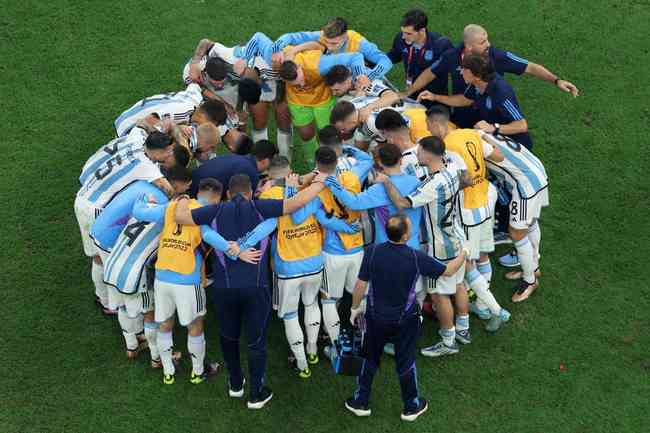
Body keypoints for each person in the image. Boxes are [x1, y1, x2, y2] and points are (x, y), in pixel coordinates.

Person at [173, 173, 328, 409]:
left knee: (228, 337)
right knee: (256, 342)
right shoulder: (262, 207)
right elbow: (296, 203)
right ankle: (256, 393)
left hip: (224, 289)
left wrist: (183, 198)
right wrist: (319, 182)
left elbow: (180, 216)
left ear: (227, 193)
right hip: (257, 289)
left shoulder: (214, 211)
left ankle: (235, 384)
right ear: (251, 192)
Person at [131, 169, 259, 385]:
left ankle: (168, 373)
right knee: (195, 325)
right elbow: (215, 239)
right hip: (187, 282)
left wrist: (144, 198)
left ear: (197, 192)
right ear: (217, 199)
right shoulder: (206, 217)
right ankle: (198, 372)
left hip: (162, 278)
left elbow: (139, 211)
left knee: (164, 324)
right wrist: (240, 252)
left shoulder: (173, 207)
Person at [241, 153, 358, 379]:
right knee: (312, 304)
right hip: (314, 261)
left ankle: (303, 364)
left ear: (269, 176)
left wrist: (240, 245)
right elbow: (324, 219)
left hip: (288, 266)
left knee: (291, 314)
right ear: (290, 172)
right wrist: (348, 228)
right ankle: (313, 351)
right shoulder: (308, 192)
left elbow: (267, 226)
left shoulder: (266, 198)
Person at [344, 214, 467, 421]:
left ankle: (361, 401)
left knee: (369, 358)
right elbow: (448, 271)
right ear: (406, 235)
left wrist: (355, 309)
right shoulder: (415, 256)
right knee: (405, 362)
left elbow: (360, 285)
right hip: (405, 320)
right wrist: (464, 252)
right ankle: (411, 406)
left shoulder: (372, 252)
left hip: (375, 318)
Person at [91, 169, 194, 361]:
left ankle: (131, 346)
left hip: (112, 264)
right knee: (149, 312)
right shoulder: (169, 219)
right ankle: (157, 357)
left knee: (122, 306)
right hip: (133, 273)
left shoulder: (145, 205)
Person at [426, 105, 512, 332]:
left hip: (467, 209)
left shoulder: (448, 148)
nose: (428, 131)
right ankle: (482, 305)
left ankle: (495, 310)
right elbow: (499, 156)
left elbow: (462, 179)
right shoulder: (469, 133)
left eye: (428, 127)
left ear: (436, 124)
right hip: (485, 201)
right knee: (482, 256)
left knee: (467, 264)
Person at [75, 130, 176, 314]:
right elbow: (168, 190)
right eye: (168, 151)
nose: (170, 155)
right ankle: (113, 304)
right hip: (95, 208)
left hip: (84, 197)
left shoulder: (136, 142)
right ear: (157, 150)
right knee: (108, 257)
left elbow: (140, 124)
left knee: (98, 257)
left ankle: (103, 298)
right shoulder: (147, 167)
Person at [403, 24, 579, 127]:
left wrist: (556, 80)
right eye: (483, 42)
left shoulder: (496, 56)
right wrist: (408, 92)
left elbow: (530, 67)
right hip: (463, 113)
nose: (489, 44)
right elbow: (430, 73)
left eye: (487, 39)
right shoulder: (451, 56)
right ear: (469, 46)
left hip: (491, 118)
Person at [184, 33, 293, 154]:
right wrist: (195, 63)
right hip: (215, 86)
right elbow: (204, 42)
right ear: (206, 74)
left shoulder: (238, 64)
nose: (219, 85)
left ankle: (278, 153)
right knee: (218, 115)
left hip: (264, 74)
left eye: (222, 81)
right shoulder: (192, 72)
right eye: (216, 83)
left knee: (281, 113)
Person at [481, 132, 548, 302]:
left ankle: (530, 281)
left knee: (517, 232)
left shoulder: (471, 144)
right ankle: (534, 267)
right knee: (530, 223)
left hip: (526, 184)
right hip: (536, 171)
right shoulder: (480, 132)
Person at [419, 53, 534, 150]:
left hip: (516, 145)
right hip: (497, 141)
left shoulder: (501, 92)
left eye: (464, 69)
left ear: (477, 76)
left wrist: (493, 128)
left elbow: (522, 125)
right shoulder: (475, 84)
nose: (461, 72)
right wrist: (435, 97)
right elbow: (464, 100)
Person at [278, 49, 370, 165]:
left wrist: (361, 76)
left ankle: (335, 162)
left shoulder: (319, 64)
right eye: (295, 84)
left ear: (299, 67)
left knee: (330, 134)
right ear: (283, 79)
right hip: (298, 102)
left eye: (301, 79)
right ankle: (314, 163)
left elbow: (355, 56)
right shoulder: (278, 61)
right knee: (306, 134)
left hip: (323, 100)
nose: (302, 84)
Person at [272, 17, 392, 81]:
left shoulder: (358, 42)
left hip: (364, 82)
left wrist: (368, 77)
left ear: (345, 36)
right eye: (326, 42)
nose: (329, 47)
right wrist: (276, 49)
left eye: (334, 43)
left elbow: (385, 60)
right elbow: (290, 37)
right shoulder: (321, 35)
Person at [114, 83, 228, 138]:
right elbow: (149, 120)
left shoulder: (196, 98)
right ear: (204, 116)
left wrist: (217, 99)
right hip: (128, 125)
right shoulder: (182, 111)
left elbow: (194, 85)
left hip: (132, 113)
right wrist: (177, 128)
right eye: (210, 125)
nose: (208, 128)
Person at [386, 9, 454, 100]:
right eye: (403, 32)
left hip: (435, 98)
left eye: (408, 33)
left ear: (422, 31)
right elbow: (393, 56)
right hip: (410, 95)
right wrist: (370, 62)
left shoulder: (441, 44)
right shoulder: (400, 39)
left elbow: (454, 69)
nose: (403, 36)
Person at [189, 139, 277, 198]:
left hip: (190, 187)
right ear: (265, 161)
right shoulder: (250, 172)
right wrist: (264, 192)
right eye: (271, 162)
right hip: (196, 198)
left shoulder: (238, 159)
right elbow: (245, 205)